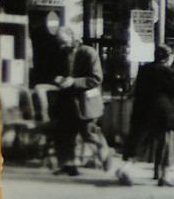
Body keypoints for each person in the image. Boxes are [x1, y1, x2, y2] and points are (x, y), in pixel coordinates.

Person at [48, 29, 122, 179]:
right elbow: (56, 72)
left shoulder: (88, 53)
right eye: (60, 42)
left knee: (90, 134)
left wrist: (74, 82)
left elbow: (96, 78)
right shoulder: (62, 54)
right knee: (65, 134)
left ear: (73, 37)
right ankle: (68, 165)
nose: (62, 45)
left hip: (85, 103)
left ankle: (106, 158)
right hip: (66, 102)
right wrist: (58, 79)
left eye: (64, 41)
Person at [129, 44, 174, 186]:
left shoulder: (144, 69)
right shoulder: (165, 71)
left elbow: (136, 90)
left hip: (144, 111)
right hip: (162, 112)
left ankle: (127, 168)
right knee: (165, 144)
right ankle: (163, 176)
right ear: (168, 57)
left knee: (142, 142)